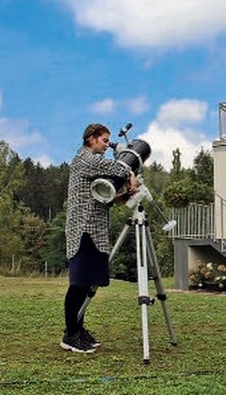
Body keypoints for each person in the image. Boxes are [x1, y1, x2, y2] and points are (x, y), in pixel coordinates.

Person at [61, 123, 137, 353]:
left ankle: (78, 329)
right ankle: (70, 334)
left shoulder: (95, 167)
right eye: (104, 140)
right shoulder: (84, 159)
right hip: (82, 230)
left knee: (87, 285)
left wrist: (126, 195)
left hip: (94, 231)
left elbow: (105, 199)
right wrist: (130, 171)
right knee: (78, 285)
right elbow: (113, 166)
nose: (107, 145)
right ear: (91, 138)